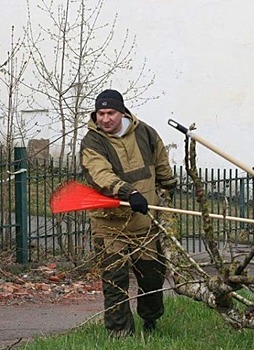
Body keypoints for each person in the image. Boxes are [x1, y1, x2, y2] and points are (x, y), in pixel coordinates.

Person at [80, 89, 177, 337]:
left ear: (121, 112)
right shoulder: (93, 141)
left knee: (152, 279)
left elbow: (161, 163)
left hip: (145, 225)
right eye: (100, 113)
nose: (104, 119)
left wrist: (168, 186)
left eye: (110, 113)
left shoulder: (146, 132)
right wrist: (127, 192)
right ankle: (121, 333)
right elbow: (100, 174)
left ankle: (151, 321)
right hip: (109, 226)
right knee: (115, 282)